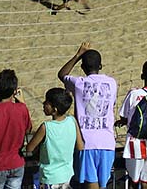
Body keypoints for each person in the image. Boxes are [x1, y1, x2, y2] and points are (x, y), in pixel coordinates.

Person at [58, 42, 118, 189]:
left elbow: (62, 74)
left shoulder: (79, 83)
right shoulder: (112, 83)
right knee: (102, 185)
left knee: (91, 184)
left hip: (86, 142)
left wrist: (78, 55)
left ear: (83, 67)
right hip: (107, 143)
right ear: (101, 66)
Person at [115, 60, 147, 189]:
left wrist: (123, 122)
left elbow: (124, 115)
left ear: (142, 76)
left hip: (134, 143)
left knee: (134, 180)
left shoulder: (134, 94)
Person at [25, 88, 84, 189]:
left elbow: (29, 148)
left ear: (55, 109)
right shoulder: (72, 121)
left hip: (49, 178)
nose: (43, 104)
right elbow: (80, 146)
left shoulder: (46, 127)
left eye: (47, 103)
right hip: (67, 175)